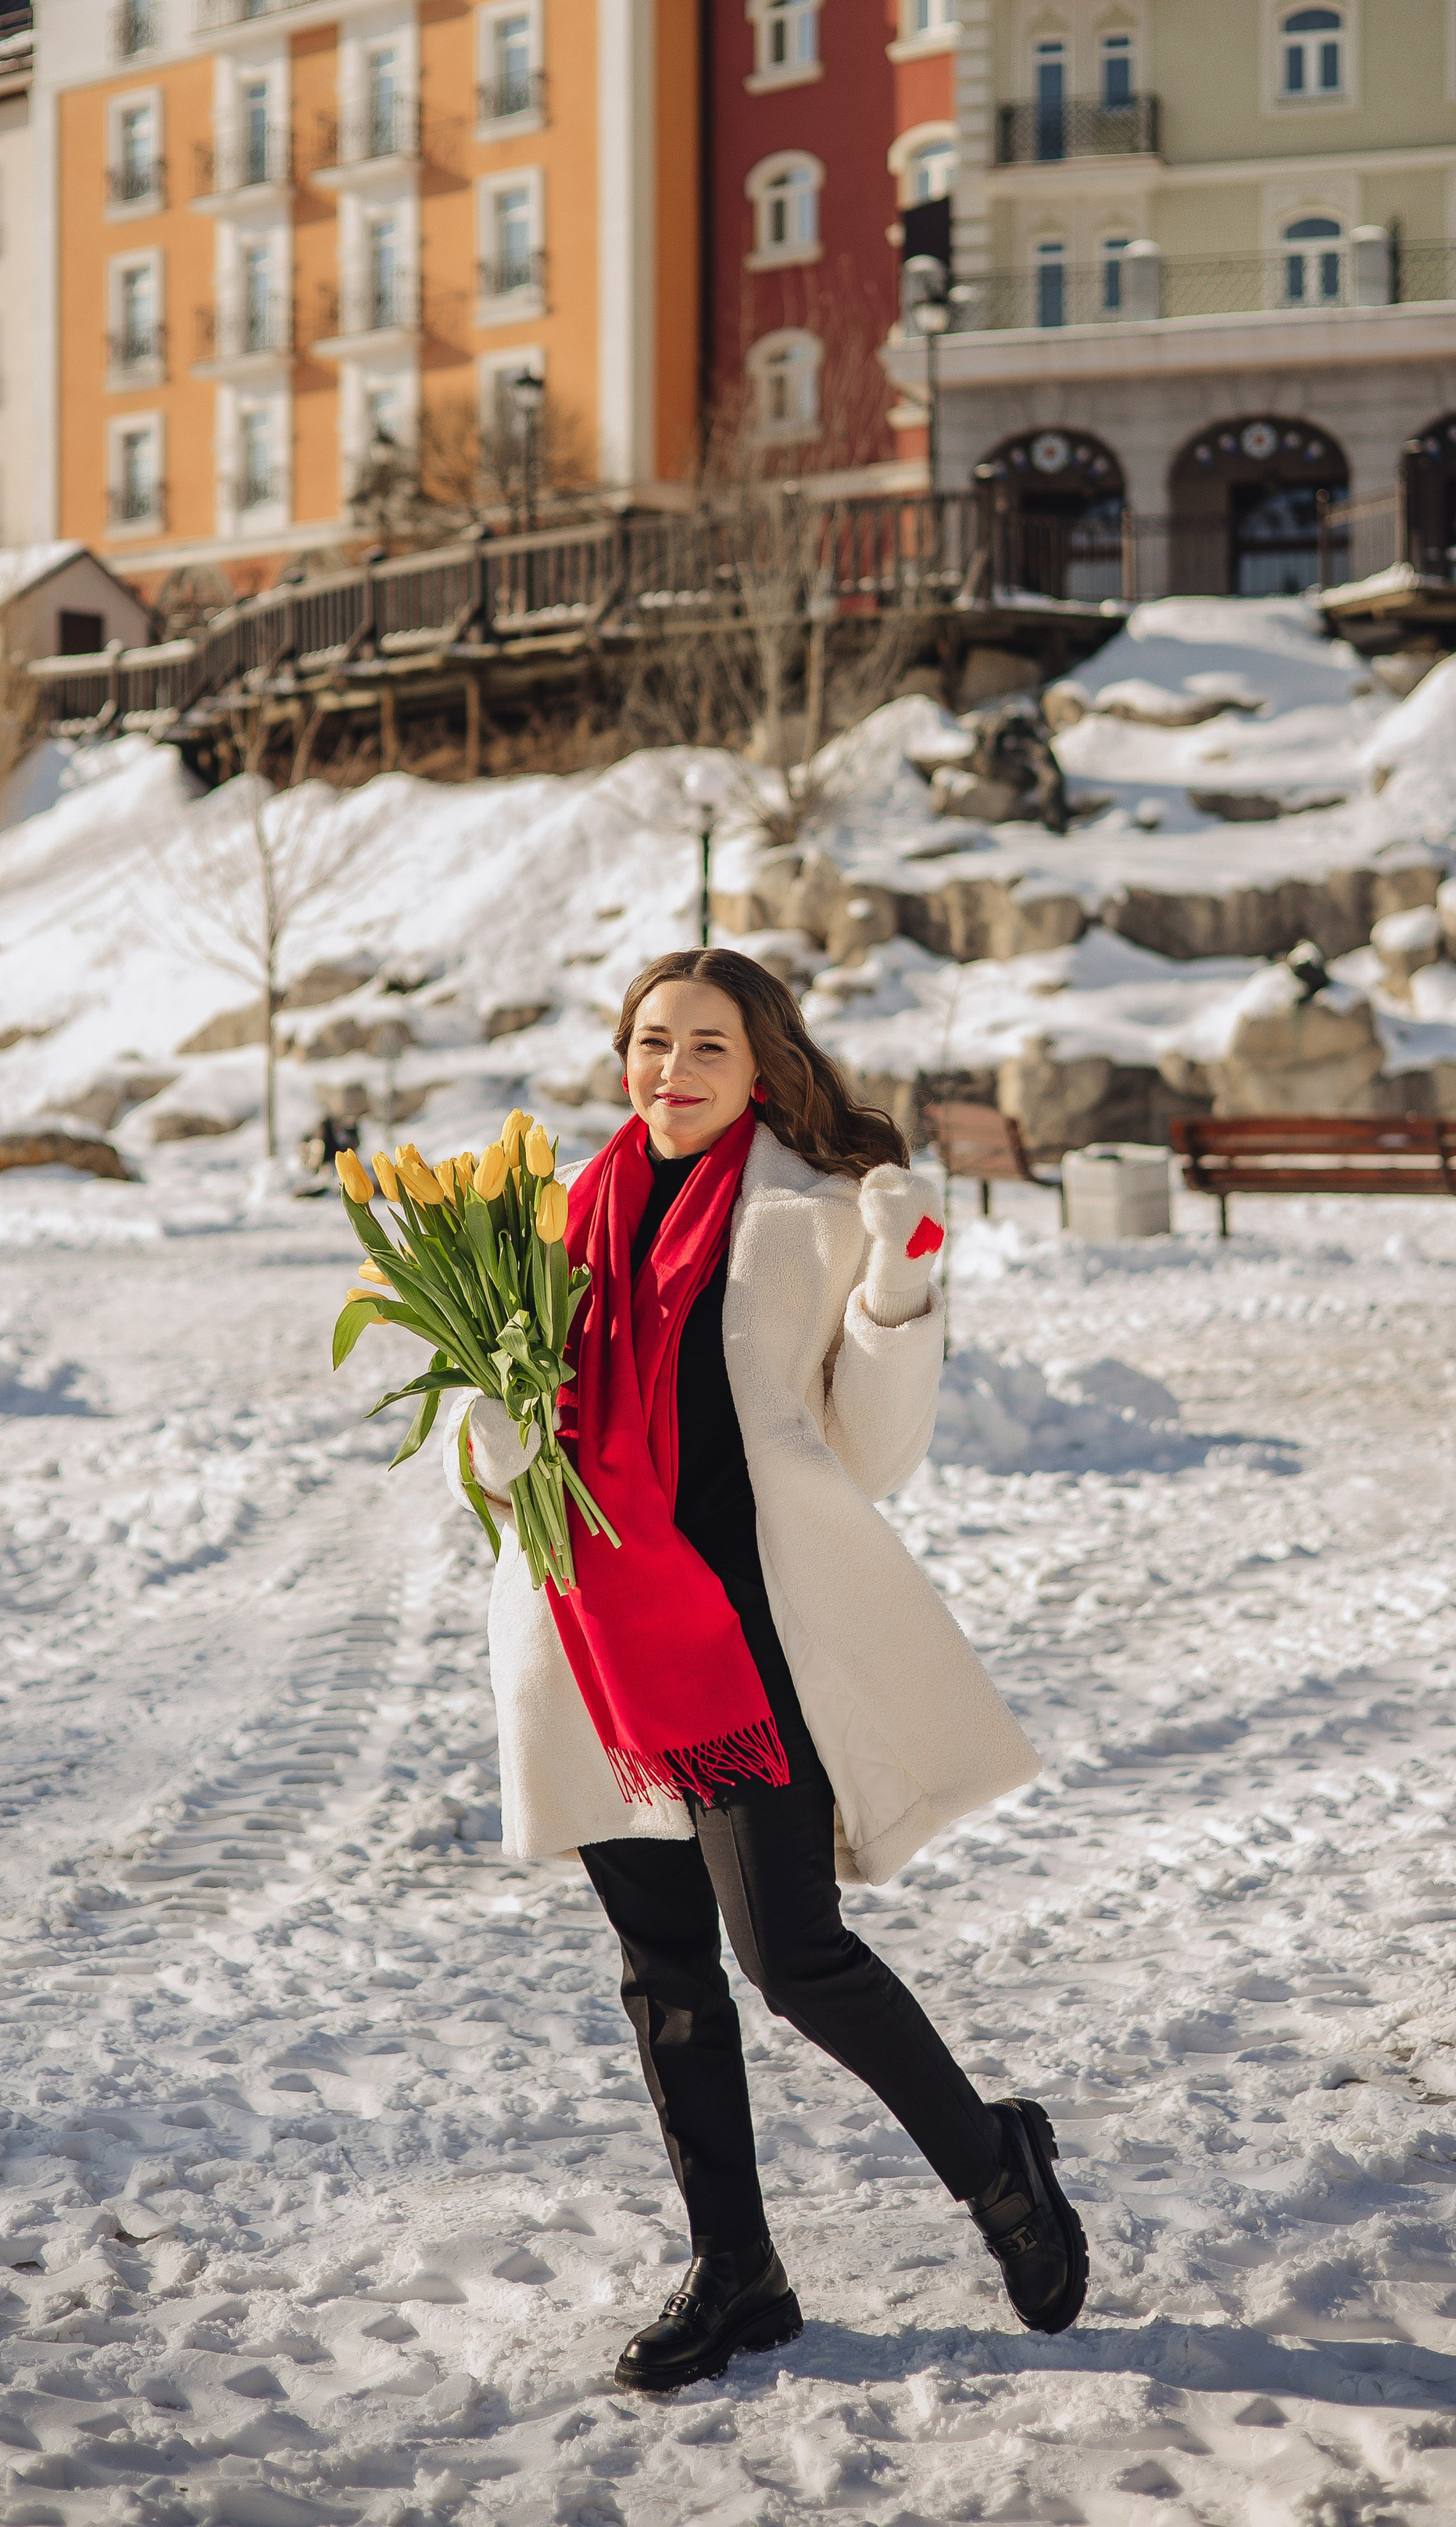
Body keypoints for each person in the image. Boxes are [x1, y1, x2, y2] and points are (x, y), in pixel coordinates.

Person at [449, 947, 1086, 2393]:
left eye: (706, 1047)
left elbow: (871, 1451)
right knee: (665, 1972)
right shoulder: (552, 1222)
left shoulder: (815, 1215)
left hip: (751, 1636)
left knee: (792, 1953)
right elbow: (495, 1458)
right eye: (650, 1041)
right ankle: (737, 2269)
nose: (669, 1071)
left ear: (762, 1065)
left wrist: (899, 1292)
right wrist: (489, 1433)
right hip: (595, 1642)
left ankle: (1000, 2167)